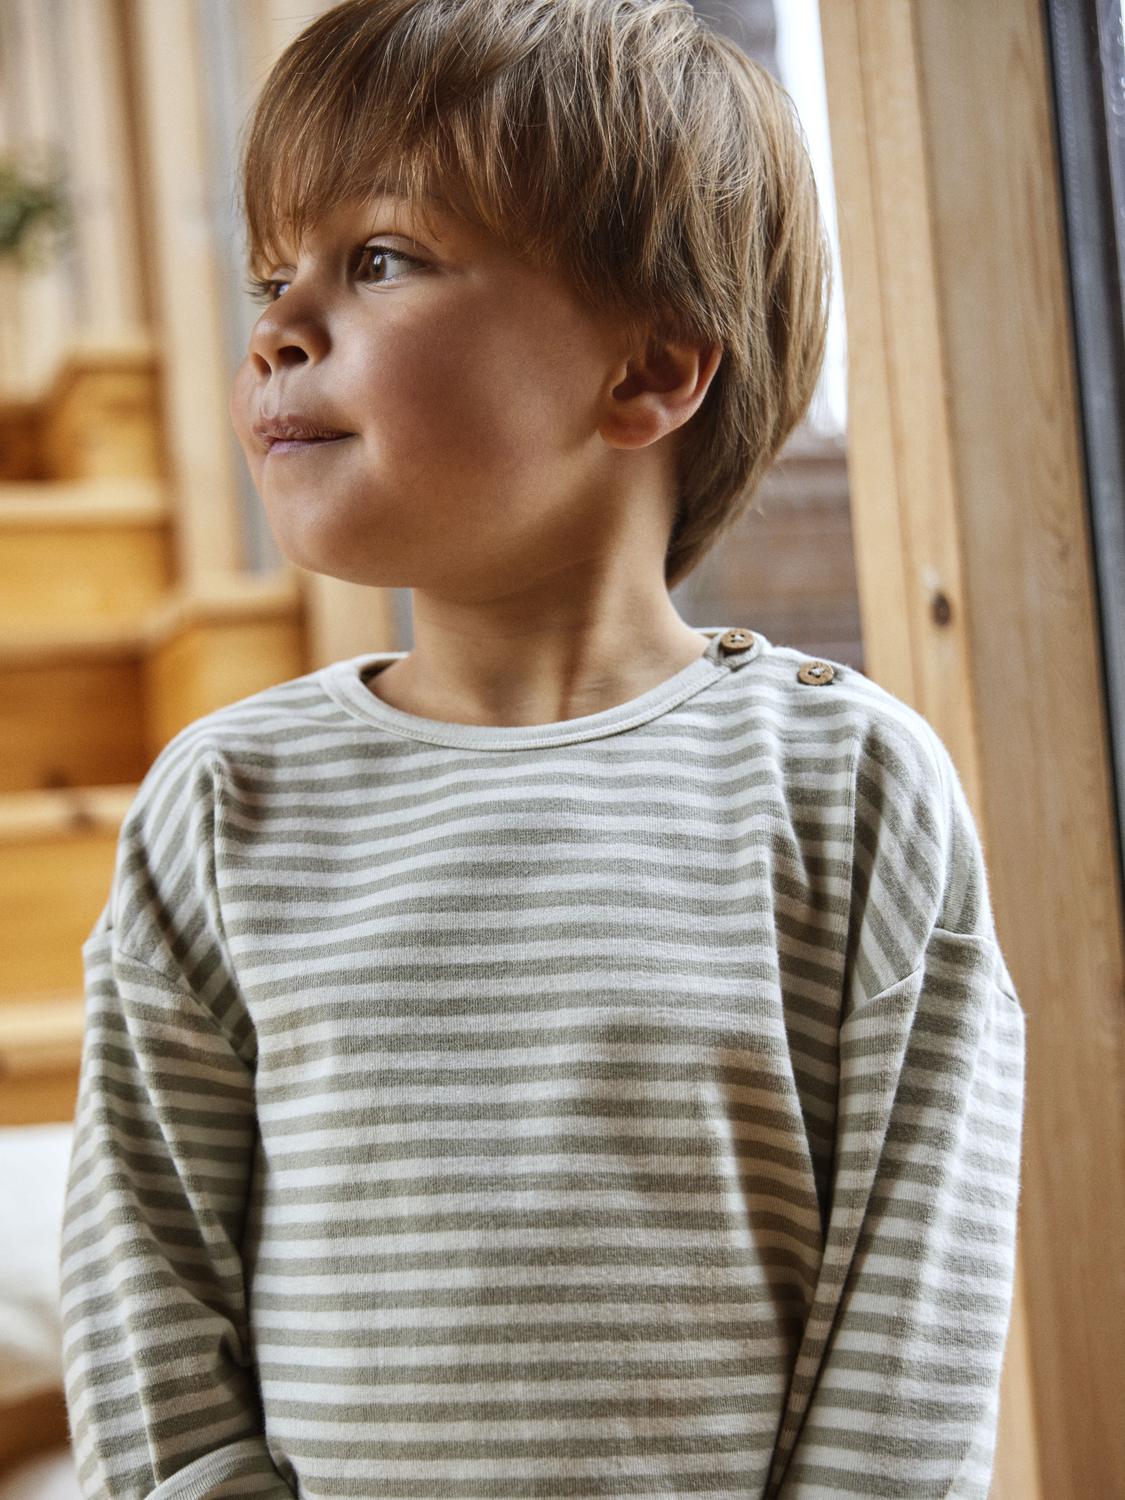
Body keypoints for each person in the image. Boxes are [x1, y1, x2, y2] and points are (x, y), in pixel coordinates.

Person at [57, 1, 1026, 1496]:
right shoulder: (224, 805)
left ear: (649, 372)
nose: (275, 327)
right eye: (271, 273)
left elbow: (919, 1299)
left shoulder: (849, 787)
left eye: (380, 259)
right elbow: (142, 1282)